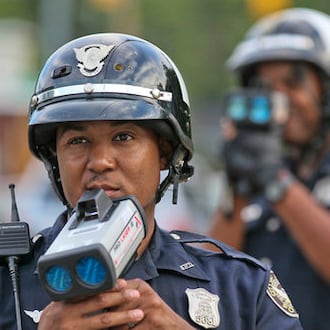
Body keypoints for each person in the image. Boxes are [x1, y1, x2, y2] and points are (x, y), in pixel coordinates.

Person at [0, 33, 302, 329]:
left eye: (124, 137)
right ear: (55, 159)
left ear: (165, 154)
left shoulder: (240, 286)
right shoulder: (6, 282)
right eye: (78, 141)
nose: (100, 161)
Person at [207, 8, 330, 330]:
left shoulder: (276, 178)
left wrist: (274, 181)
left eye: (293, 83)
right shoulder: (268, 172)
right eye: (264, 87)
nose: (279, 100)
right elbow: (209, 277)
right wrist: (237, 183)